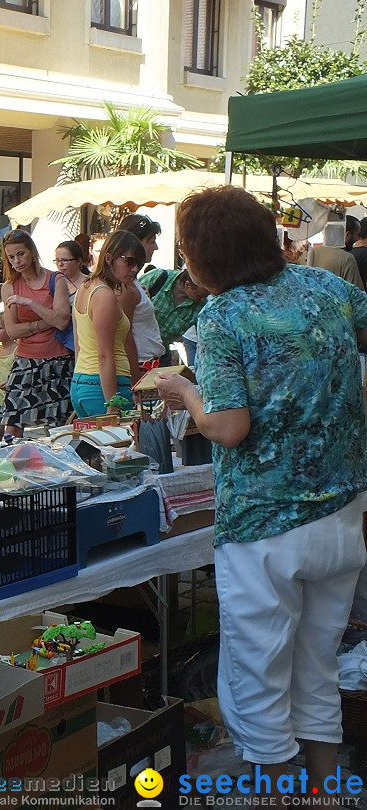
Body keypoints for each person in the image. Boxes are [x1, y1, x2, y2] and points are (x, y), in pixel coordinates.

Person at [155, 185, 367, 800]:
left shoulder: (223, 316)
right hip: (340, 513)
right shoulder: (326, 287)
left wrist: (185, 393)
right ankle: (321, 795)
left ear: (202, 255)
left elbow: (228, 427)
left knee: (259, 681)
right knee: (317, 671)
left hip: (265, 526)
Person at [0, 230, 72, 436]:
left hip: (58, 358)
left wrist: (30, 303)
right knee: (12, 422)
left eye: (20, 254)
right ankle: (11, 464)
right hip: (26, 359)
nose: (16, 261)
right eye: (11, 257)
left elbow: (63, 321)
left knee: (59, 426)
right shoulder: (10, 286)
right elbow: (12, 331)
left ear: (32, 252)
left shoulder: (55, 279)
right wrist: (46, 321)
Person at [70, 230, 145, 418]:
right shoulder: (104, 295)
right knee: (116, 446)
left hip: (83, 382)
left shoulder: (85, 288)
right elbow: (104, 354)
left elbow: (79, 344)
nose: (134, 269)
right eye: (129, 262)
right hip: (106, 388)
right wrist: (111, 404)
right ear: (109, 257)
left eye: (139, 264)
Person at [118, 214, 166, 376]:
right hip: (138, 368)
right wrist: (135, 379)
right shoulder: (125, 285)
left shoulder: (133, 282)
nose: (156, 247)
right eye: (151, 241)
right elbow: (125, 335)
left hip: (146, 365)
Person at [138, 260, 209, 360]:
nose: (203, 299)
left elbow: (204, 338)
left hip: (159, 354)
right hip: (134, 345)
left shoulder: (201, 307)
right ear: (187, 284)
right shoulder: (158, 278)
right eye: (199, 295)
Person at [305, 222, 365, 291]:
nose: (358, 239)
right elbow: (357, 295)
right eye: (357, 235)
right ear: (347, 235)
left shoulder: (306, 253)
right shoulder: (346, 258)